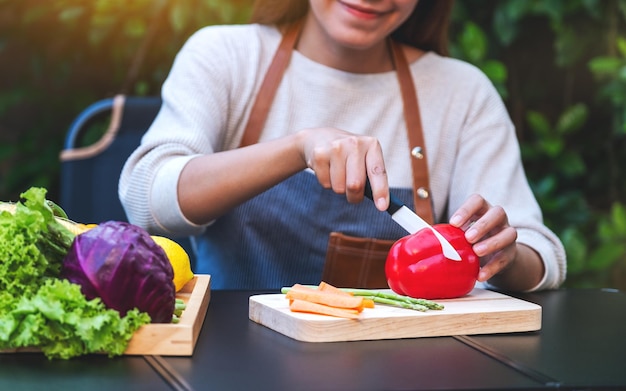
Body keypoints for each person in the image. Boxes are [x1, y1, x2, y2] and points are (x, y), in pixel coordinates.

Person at [119, 0, 566, 291]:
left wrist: (504, 255)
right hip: (234, 362)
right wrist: (296, 149)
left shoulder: (462, 92)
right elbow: (147, 199)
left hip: (405, 366)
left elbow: (540, 254)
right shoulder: (225, 57)